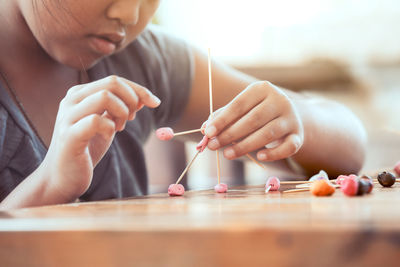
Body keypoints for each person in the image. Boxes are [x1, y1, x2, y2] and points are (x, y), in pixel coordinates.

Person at [0, 0, 367, 209]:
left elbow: (350, 144)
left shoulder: (143, 60)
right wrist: (48, 187)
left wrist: (295, 118)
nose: (128, 14)